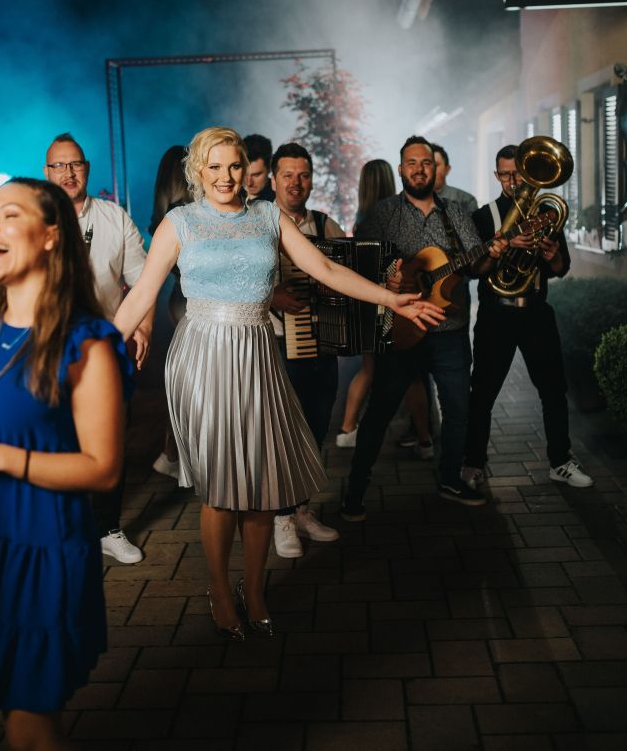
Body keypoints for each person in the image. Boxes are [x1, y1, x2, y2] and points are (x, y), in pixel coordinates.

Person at [113, 127, 442, 638]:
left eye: (233, 165)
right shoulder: (180, 223)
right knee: (221, 488)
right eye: (214, 167)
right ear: (198, 171)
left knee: (262, 484)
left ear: (248, 168)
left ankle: (256, 589)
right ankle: (221, 590)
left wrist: (390, 299)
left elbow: (325, 268)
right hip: (204, 356)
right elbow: (141, 296)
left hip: (258, 354)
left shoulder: (268, 216)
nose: (226, 177)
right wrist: (94, 353)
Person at [0, 178, 131, 750]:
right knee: (12, 706)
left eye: (9, 216)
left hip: (39, 544)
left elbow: (103, 468)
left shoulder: (84, 342)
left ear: (50, 236)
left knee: (29, 723)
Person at [344, 136, 507, 520]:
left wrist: (493, 255)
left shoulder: (456, 213)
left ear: (436, 169)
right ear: (402, 169)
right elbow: (359, 264)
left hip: (449, 330)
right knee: (380, 412)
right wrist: (388, 277)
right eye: (412, 163)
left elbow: (475, 267)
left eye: (426, 163)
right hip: (402, 329)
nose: (419, 169)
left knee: (458, 410)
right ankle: (354, 489)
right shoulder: (384, 213)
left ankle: (450, 479)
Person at [44, 132, 149, 565]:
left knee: (109, 441)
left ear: (86, 169)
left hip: (105, 348)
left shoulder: (114, 217)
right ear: (47, 172)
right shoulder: (33, 216)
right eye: (59, 165)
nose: (68, 172)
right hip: (49, 351)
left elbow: (142, 280)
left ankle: (108, 528)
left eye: (75, 164)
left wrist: (143, 326)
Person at [462, 144, 591, 493]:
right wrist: (501, 248)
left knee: (554, 390)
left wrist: (551, 256)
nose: (513, 181)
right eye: (505, 175)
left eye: (518, 174)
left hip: (535, 311)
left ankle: (560, 461)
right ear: (496, 175)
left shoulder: (545, 213)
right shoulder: (483, 217)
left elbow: (562, 268)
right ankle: (473, 463)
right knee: (483, 393)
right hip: (496, 314)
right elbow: (473, 270)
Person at [266, 142, 344, 558]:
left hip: (322, 343)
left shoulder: (326, 225)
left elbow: (348, 272)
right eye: (288, 175)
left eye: (304, 175)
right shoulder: (259, 222)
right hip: (278, 344)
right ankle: (281, 517)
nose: (296, 183)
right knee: (284, 434)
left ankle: (300, 509)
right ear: (273, 180)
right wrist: (272, 295)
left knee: (316, 428)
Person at [336, 158, 397, 448]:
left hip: (367, 303)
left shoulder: (361, 220)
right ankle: (425, 438)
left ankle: (347, 428)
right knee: (409, 374)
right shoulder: (391, 218)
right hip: (390, 302)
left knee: (369, 369)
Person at [148, 145, 193, 482]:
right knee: (192, 383)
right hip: (189, 301)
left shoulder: (165, 216)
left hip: (178, 300)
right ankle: (174, 454)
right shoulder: (183, 216)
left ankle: (171, 453)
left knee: (186, 382)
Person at [432, 143, 479, 218]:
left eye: (436, 165)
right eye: (427, 164)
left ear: (447, 169)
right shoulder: (412, 201)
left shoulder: (465, 200)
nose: (431, 169)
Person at [243, 133, 277, 204]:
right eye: (244, 174)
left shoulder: (280, 201)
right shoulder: (230, 193)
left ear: (269, 168)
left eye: (256, 175)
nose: (249, 183)